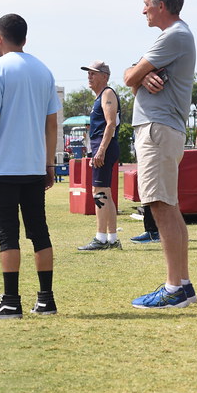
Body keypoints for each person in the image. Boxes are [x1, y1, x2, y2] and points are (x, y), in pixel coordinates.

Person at [0, 14, 60, 319]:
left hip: (3, 166)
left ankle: (10, 301)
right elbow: (52, 125)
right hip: (35, 165)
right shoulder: (44, 71)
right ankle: (46, 299)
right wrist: (49, 162)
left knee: (8, 234)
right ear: (25, 37)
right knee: (39, 232)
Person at [122, 0, 197, 309]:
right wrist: (140, 75)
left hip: (158, 130)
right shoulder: (173, 37)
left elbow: (127, 77)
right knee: (169, 206)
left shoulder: (174, 36)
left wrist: (137, 77)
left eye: (147, 4)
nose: (143, 10)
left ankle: (173, 289)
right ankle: (182, 284)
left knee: (161, 206)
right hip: (164, 129)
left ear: (161, 6)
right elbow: (132, 72)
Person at [77, 61, 122, 251]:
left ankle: (101, 238)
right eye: (88, 73)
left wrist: (101, 150)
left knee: (99, 192)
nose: (89, 76)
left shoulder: (108, 94)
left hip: (105, 147)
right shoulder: (101, 97)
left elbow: (111, 123)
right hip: (103, 147)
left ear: (105, 76)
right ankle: (111, 238)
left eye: (93, 73)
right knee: (106, 193)